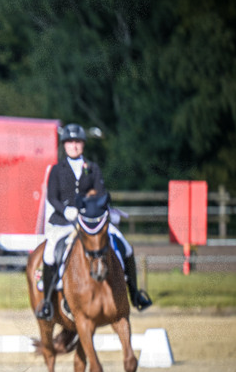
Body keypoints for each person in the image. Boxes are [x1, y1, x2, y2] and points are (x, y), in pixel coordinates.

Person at [36, 123, 152, 319]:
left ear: (83, 144)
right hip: (64, 222)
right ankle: (47, 302)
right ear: (64, 145)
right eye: (70, 142)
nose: (74, 145)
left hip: (92, 220)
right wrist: (66, 210)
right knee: (49, 254)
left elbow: (100, 192)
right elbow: (52, 198)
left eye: (78, 142)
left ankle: (135, 293)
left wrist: (94, 207)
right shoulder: (57, 170)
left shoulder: (92, 168)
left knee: (126, 247)